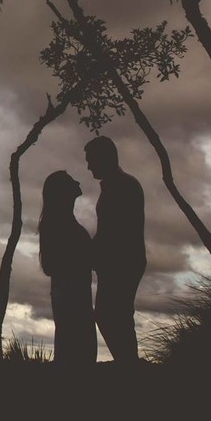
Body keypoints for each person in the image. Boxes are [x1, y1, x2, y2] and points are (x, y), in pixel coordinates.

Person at [85, 135, 146, 364]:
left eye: (91, 159)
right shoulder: (117, 185)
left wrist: (90, 253)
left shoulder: (122, 185)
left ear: (104, 158)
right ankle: (127, 361)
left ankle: (128, 362)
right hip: (118, 262)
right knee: (114, 316)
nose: (88, 165)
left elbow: (115, 230)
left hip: (122, 263)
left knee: (112, 315)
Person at [38, 170, 96, 366]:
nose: (78, 182)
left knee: (76, 350)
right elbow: (49, 266)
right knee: (77, 352)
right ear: (63, 191)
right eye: (72, 181)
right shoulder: (58, 224)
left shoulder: (61, 222)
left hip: (72, 294)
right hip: (71, 295)